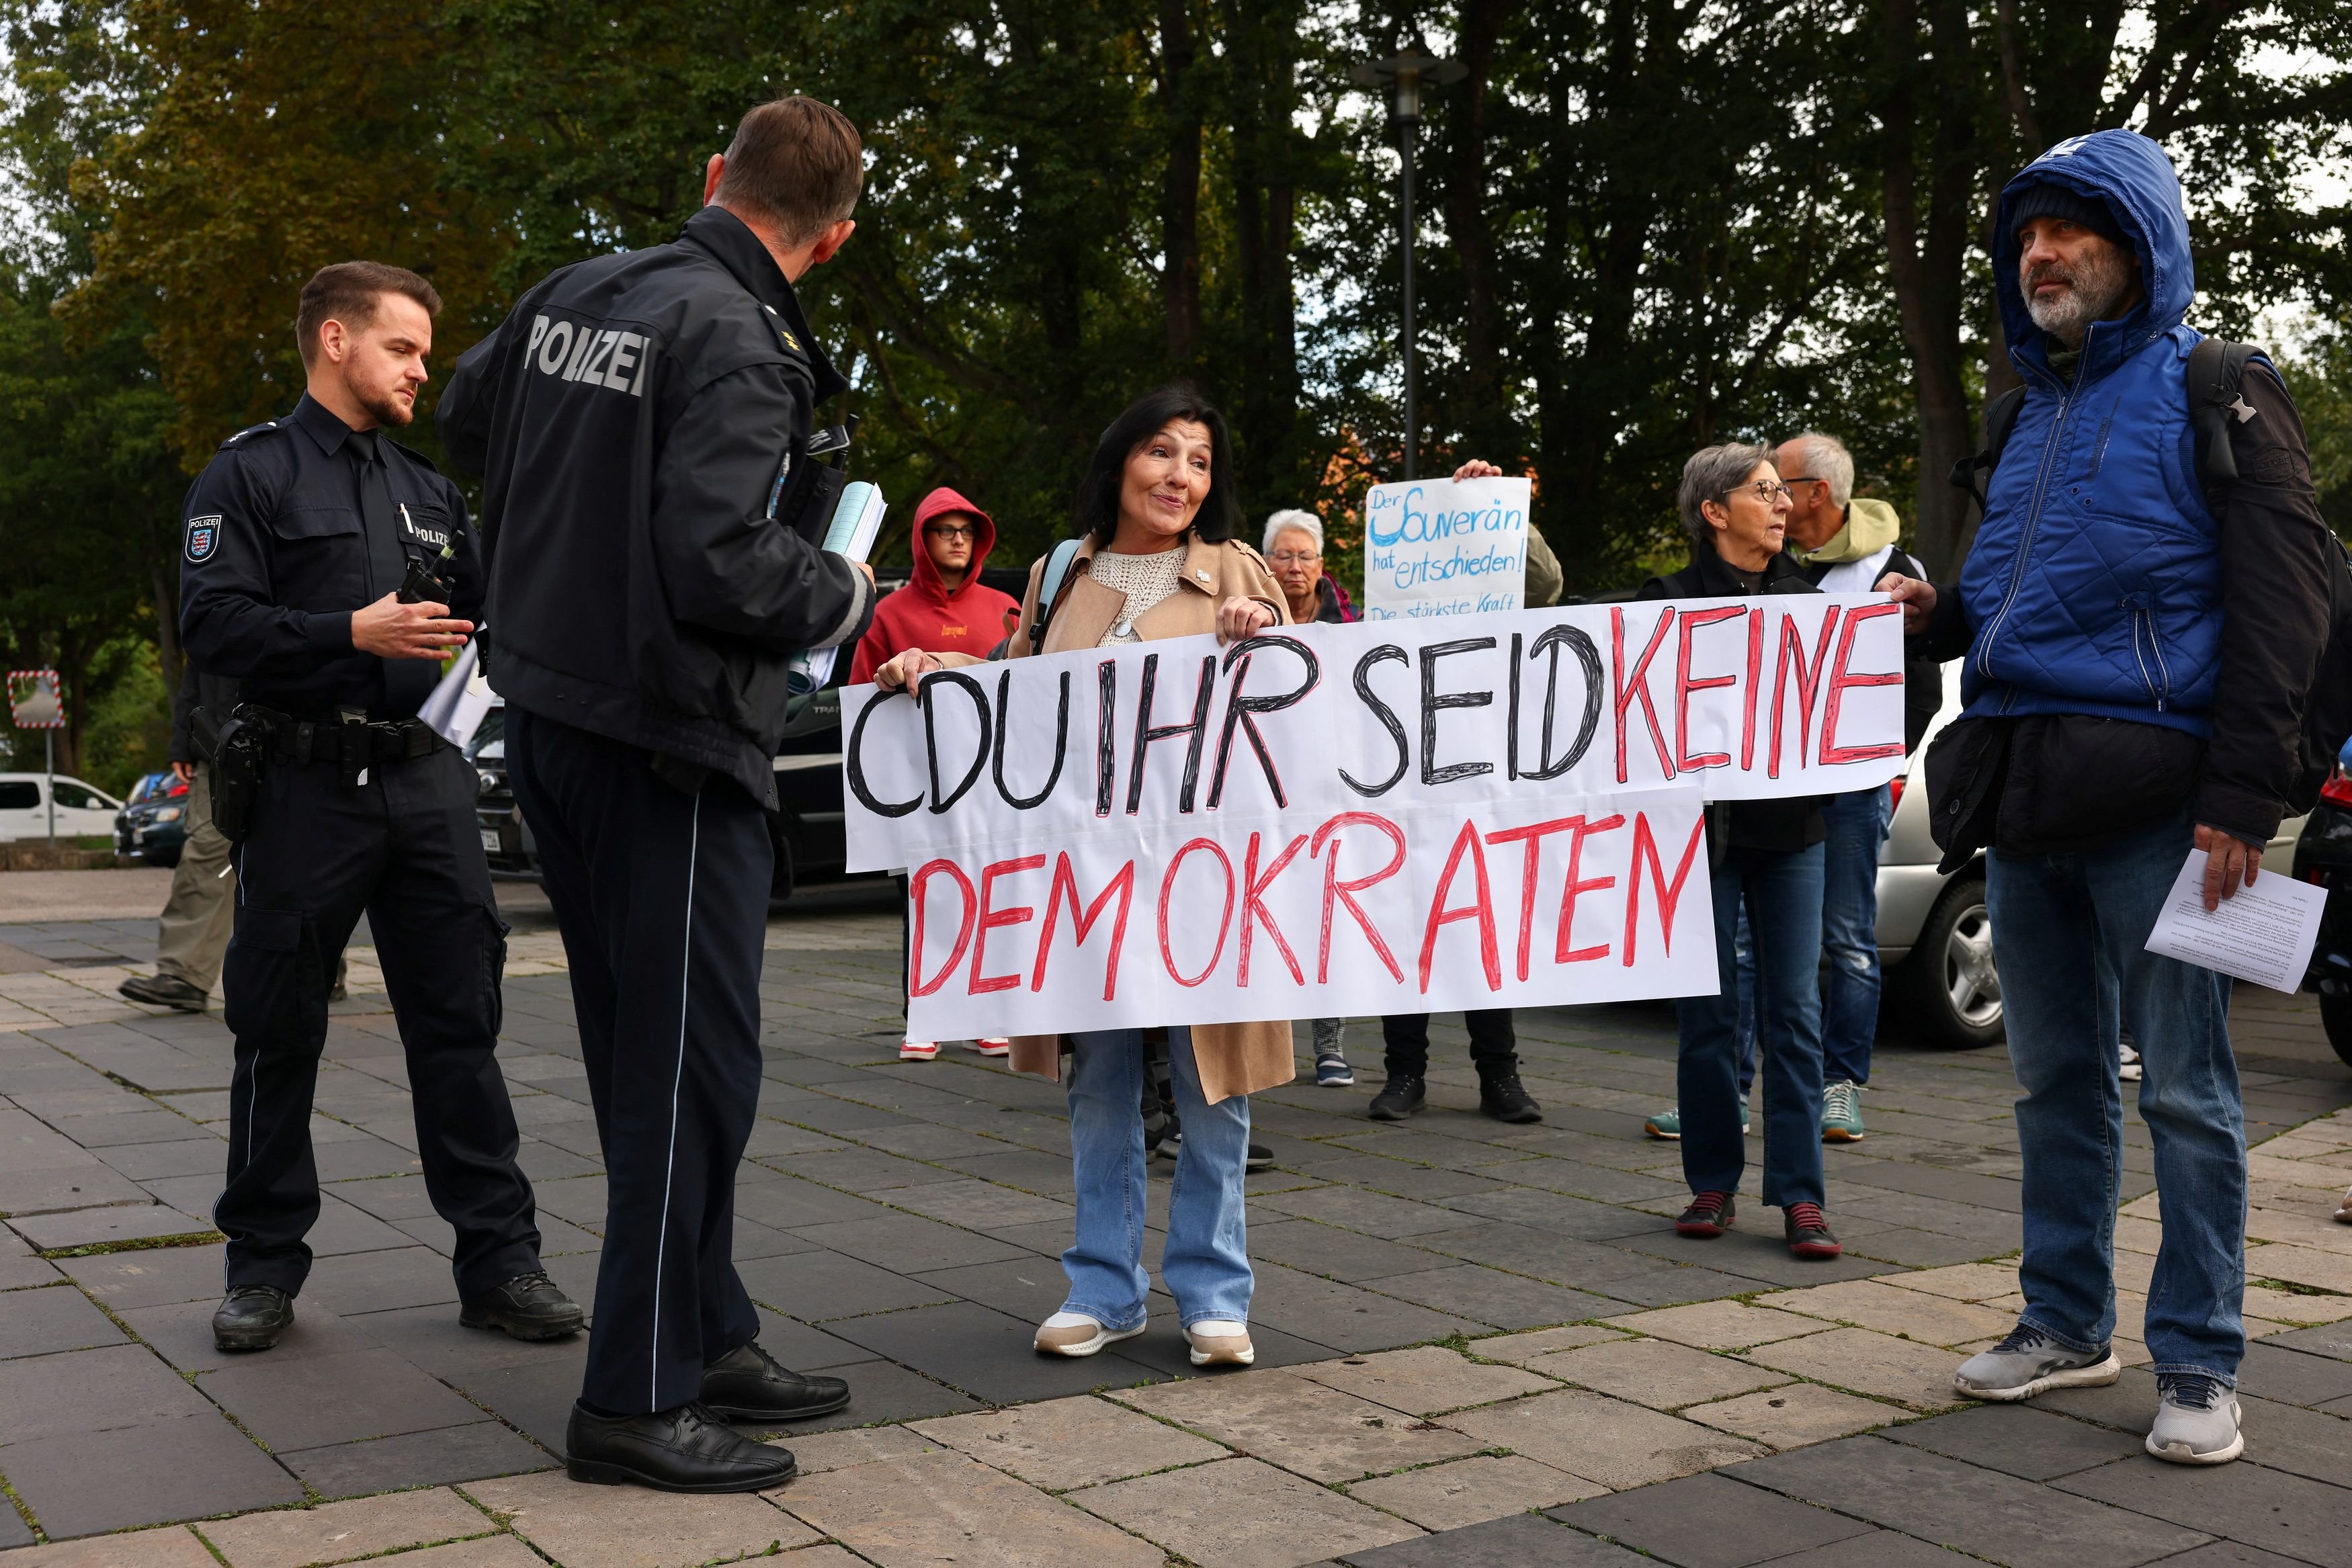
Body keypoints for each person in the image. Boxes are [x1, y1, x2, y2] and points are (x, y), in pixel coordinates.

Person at [439, 96, 880, 1493]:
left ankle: (710, 1327)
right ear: (835, 238)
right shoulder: (744, 343)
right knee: (689, 1077)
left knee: (657, 1050)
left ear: (713, 177)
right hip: (669, 745)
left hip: (553, 720)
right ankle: (633, 1396)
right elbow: (721, 563)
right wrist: (848, 587)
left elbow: (462, 418)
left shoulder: (574, 289)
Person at [1883, 130, 2334, 1464]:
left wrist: (2242, 801)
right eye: (2026, 236)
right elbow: (2007, 602)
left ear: (2139, 251)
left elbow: (2284, 606)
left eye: (2070, 232)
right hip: (2023, 796)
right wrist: (1930, 615)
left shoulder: (2221, 385)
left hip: (2170, 808)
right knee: (2054, 1081)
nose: (2039, 255)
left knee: (2187, 1088)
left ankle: (2199, 1360)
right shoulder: (2026, 410)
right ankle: (2064, 1327)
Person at [177, 261, 583, 1359]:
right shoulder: (248, 475)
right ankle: (262, 1267)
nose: (421, 369)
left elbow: (497, 619)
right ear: (338, 342)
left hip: (428, 781)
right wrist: (345, 636)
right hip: (308, 787)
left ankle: (499, 1259)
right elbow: (212, 624)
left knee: (462, 1025)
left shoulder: (431, 489)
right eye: (404, 348)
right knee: (278, 1030)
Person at [874, 385, 1288, 1371]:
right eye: (1161, 452)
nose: (1181, 475)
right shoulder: (1065, 570)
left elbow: (1299, 709)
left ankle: (1215, 1293)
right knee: (1097, 1085)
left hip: (1206, 882)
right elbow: (1019, 704)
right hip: (1088, 887)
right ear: (1119, 462)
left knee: (1212, 1089)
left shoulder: (1239, 568)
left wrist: (1261, 630)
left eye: (1199, 459)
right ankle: (1103, 1287)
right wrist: (930, 666)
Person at [1640, 443, 1841, 1262]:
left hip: (1791, 834)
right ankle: (1712, 1181)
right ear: (1714, 512)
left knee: (1792, 1012)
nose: (1782, 504)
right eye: (1762, 492)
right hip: (1701, 838)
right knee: (1708, 1014)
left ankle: (1800, 1196)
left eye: (1780, 491)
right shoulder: (1663, 605)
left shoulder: (1818, 607)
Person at [1366, 463, 1544, 1129]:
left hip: (1483, 777)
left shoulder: (1502, 595)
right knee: (1407, 924)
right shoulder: (1393, 605)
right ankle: (1402, 1072)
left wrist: (1493, 507)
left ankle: (1499, 1073)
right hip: (1407, 779)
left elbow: (1546, 583)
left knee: (1481, 925)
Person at [850, 488, 1018, 1064]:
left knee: (993, 892)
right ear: (922, 540)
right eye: (943, 530)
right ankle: (923, 1015)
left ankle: (990, 1016)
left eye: (966, 530)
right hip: (918, 785)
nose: (956, 539)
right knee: (925, 899)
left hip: (992, 784)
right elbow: (859, 703)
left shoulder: (1005, 608)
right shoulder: (888, 614)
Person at [1261, 508, 1357, 1087]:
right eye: (1283, 555)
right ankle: (1264, 1047)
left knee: (1328, 912)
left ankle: (1330, 1046)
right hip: (1262, 786)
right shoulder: (1244, 618)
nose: (1294, 567)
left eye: (1305, 556)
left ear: (1322, 566)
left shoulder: (1353, 625)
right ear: (1265, 562)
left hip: (1329, 786)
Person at [118, 662, 241, 1012]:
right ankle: (183, 975)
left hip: (300, 750)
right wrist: (183, 742)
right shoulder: (213, 606)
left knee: (301, 861)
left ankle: (322, 970)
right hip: (218, 752)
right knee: (205, 856)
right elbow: (196, 672)